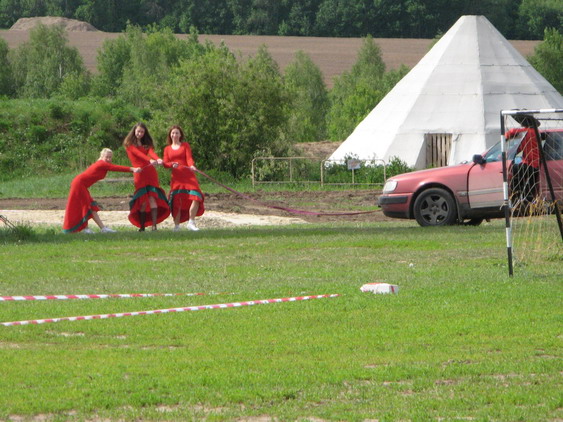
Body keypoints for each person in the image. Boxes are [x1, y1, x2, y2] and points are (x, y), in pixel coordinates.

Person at [63, 148, 140, 234]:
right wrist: (132, 169)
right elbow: (115, 168)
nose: (108, 159)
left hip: (81, 185)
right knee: (87, 206)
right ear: (102, 156)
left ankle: (100, 228)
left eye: (110, 157)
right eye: (107, 157)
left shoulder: (102, 164)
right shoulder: (101, 164)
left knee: (90, 206)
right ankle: (88, 228)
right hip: (79, 184)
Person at [123, 122, 170, 231]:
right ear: (134, 131)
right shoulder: (129, 144)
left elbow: (151, 152)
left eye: (142, 132)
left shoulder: (146, 144)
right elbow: (139, 154)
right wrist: (150, 160)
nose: (140, 133)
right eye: (138, 131)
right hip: (139, 173)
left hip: (150, 173)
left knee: (152, 198)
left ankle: (154, 226)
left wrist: (157, 159)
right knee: (143, 200)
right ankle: (142, 226)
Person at [163, 125, 205, 231]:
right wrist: (171, 164)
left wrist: (191, 165)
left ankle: (191, 222)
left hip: (189, 176)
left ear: (180, 135)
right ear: (170, 135)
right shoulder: (167, 149)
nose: (175, 135)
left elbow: (189, 158)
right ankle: (177, 226)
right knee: (176, 201)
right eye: (173, 133)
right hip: (176, 178)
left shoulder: (185, 145)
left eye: (177, 133)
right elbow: (165, 163)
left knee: (196, 196)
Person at [505, 115, 541, 202]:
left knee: (515, 171)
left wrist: (506, 137)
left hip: (530, 163)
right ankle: (527, 197)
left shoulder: (528, 132)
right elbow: (519, 148)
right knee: (530, 182)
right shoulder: (536, 132)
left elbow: (512, 132)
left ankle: (515, 195)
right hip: (535, 163)